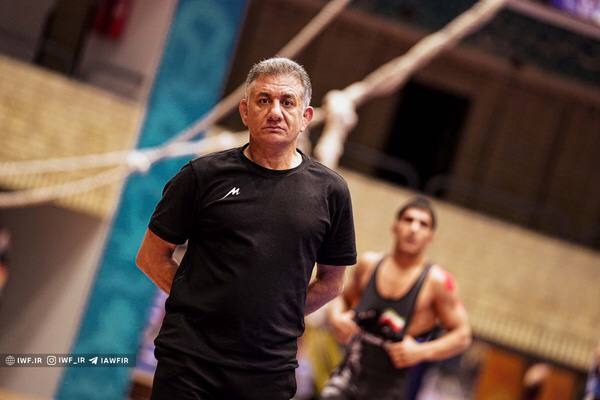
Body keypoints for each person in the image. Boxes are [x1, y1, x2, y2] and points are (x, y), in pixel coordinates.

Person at [136, 57, 357, 400]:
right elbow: (151, 257)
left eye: (287, 102)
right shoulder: (202, 176)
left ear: (306, 117)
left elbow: (332, 283)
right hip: (189, 362)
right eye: (264, 100)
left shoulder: (332, 192)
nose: (275, 112)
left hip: (268, 372)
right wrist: (200, 305)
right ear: (245, 111)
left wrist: (274, 317)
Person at [320, 197, 471, 400]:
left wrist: (422, 351)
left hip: (388, 392)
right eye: (408, 220)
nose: (414, 229)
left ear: (431, 236)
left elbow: (463, 335)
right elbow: (342, 299)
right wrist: (336, 317)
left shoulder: (437, 282)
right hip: (346, 379)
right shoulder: (369, 264)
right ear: (395, 226)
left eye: (423, 224)